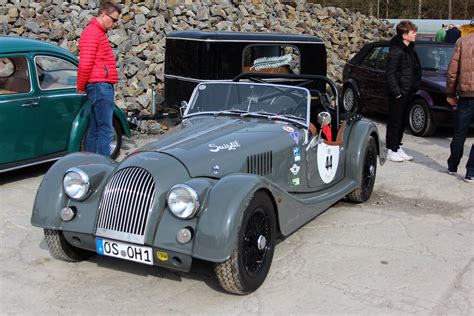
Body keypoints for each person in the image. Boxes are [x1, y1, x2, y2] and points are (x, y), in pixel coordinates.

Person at [77, 2, 121, 157]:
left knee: (95, 128)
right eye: (113, 19)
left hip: (98, 85)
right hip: (99, 85)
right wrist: (81, 84)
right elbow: (85, 63)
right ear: (103, 14)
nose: (115, 24)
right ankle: (104, 167)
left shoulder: (97, 33)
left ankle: (90, 164)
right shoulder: (92, 33)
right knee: (105, 129)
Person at [384, 20, 421, 162]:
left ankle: (397, 147)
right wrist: (397, 92)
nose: (415, 34)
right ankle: (390, 150)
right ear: (404, 35)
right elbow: (390, 74)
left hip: (408, 91)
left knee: (402, 122)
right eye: (412, 32)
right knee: (394, 122)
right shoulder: (396, 51)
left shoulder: (410, 49)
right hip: (398, 93)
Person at [446, 33, 474, 183]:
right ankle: (471, 172)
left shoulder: (463, 41)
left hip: (466, 94)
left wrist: (450, 92)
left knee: (459, 133)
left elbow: (453, 70)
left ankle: (452, 166)